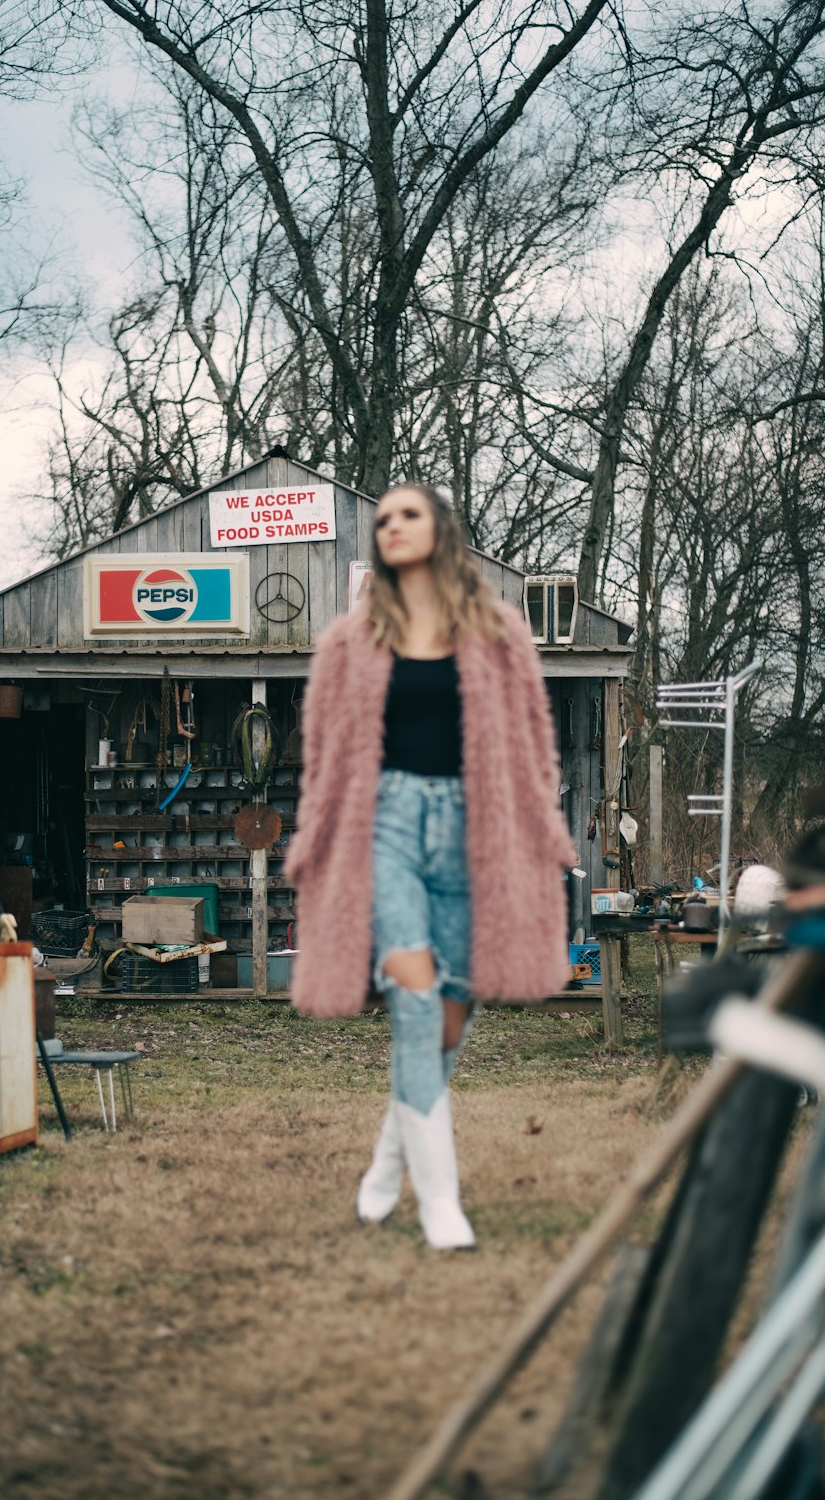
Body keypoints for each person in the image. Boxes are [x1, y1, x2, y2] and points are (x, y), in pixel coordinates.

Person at [286, 482, 577, 1249]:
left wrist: (541, 829)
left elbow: (531, 744)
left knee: (449, 1017)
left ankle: (387, 1169)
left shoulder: (498, 633)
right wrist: (314, 839)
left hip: (474, 827)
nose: (392, 527)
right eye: (382, 519)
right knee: (413, 1005)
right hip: (382, 823)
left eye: (408, 514)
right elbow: (323, 758)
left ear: (442, 531)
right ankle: (441, 1205)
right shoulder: (349, 642)